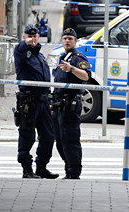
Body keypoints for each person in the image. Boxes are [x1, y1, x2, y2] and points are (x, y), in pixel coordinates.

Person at [13, 24, 59, 179]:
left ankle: (41, 167)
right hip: (29, 102)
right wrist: (26, 43)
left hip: (43, 102)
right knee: (27, 136)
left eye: (35, 36)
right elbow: (19, 49)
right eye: (29, 36)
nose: (32, 39)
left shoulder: (39, 56)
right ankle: (27, 169)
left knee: (48, 136)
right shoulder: (21, 53)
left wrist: (50, 100)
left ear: (39, 37)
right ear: (24, 37)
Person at [51, 28, 91, 180]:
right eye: (65, 38)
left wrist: (72, 69)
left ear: (75, 41)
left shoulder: (78, 58)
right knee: (60, 140)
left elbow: (86, 76)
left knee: (70, 139)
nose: (67, 41)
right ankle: (68, 167)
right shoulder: (63, 56)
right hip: (59, 105)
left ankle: (74, 172)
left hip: (71, 105)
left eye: (70, 39)